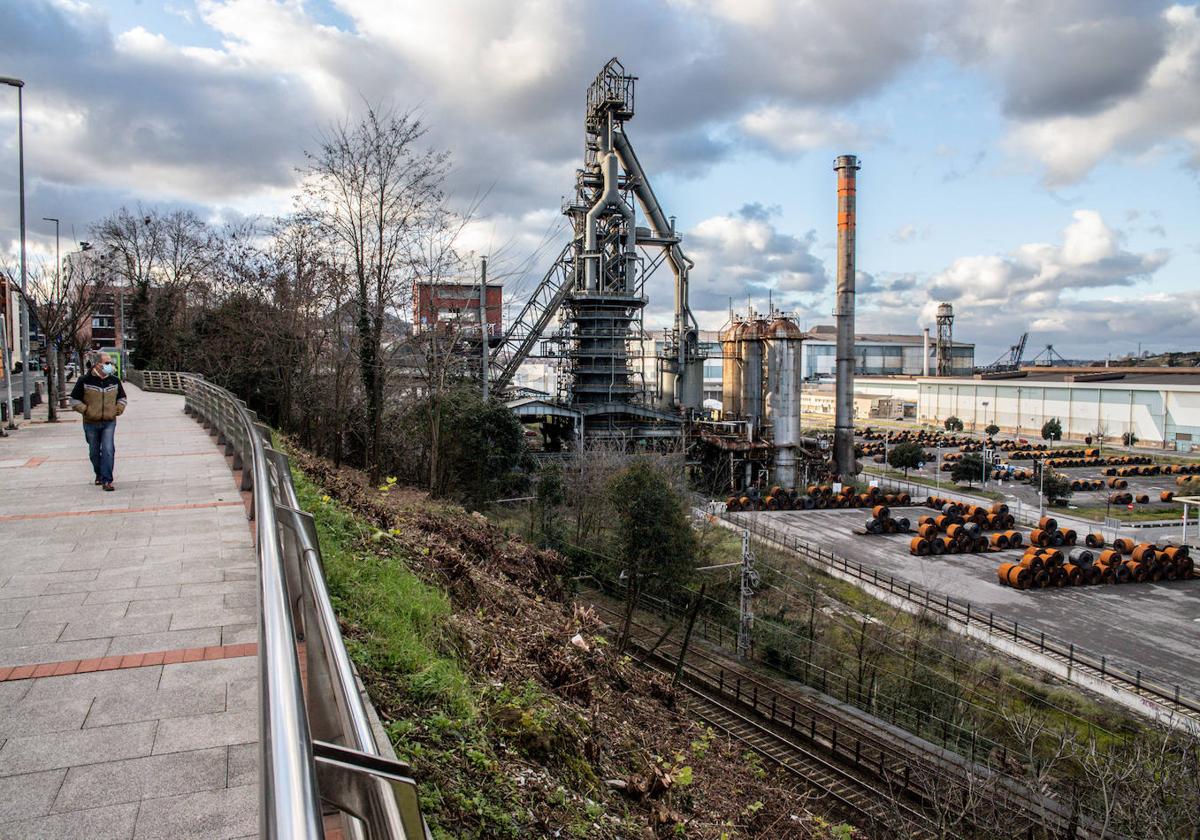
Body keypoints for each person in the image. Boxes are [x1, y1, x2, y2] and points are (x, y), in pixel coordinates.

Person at [70, 352, 128, 491]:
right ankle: (99, 474)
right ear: (98, 364)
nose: (110, 366)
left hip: (109, 421)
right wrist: (87, 410)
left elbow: (122, 398)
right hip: (91, 422)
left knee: (108, 450)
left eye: (111, 363)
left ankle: (107, 480)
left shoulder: (114, 381)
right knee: (94, 452)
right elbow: (74, 400)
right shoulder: (85, 380)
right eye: (107, 363)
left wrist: (117, 410)